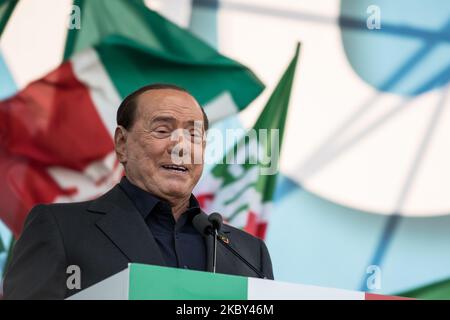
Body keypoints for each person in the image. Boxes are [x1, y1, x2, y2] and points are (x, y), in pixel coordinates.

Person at [3, 84, 273, 299]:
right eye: (162, 130)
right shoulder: (61, 229)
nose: (180, 147)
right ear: (122, 143)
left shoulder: (249, 254)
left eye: (194, 135)